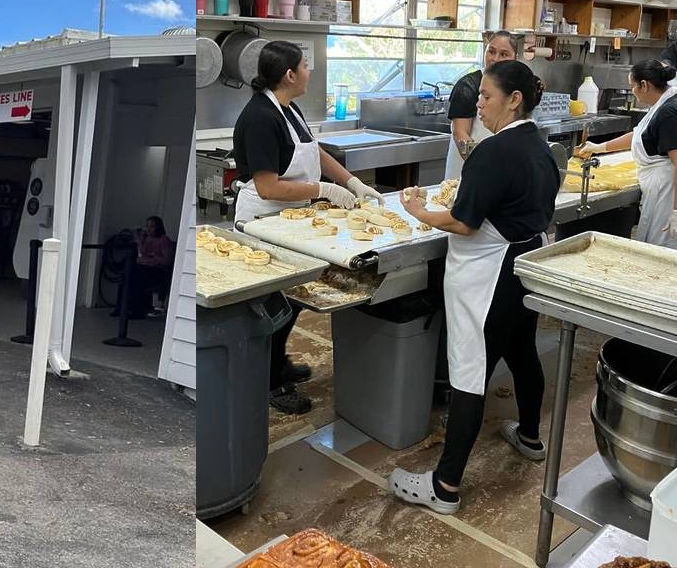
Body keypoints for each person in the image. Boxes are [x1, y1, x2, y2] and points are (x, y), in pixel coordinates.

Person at [389, 60, 560, 515]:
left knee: (469, 371)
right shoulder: (540, 145)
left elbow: (464, 222)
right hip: (525, 266)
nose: (478, 104)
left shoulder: (493, 151)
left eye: (486, 96)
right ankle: (530, 436)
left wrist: (419, 212)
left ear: (514, 99)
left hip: (489, 276)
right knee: (522, 350)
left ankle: (444, 486)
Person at [232, 39, 384, 415]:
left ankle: (277, 363)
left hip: (290, 220)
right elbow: (268, 187)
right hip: (263, 221)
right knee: (274, 305)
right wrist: (323, 190)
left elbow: (314, 151)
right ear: (289, 74)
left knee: (293, 300)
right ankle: (270, 382)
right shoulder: (260, 118)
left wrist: (351, 182)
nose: (309, 72)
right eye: (305, 66)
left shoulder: (288, 108)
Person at [578, 60, 677, 244]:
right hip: (662, 188)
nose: (633, 91)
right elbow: (639, 135)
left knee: (662, 249)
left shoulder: (669, 113)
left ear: (644, 85)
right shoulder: (663, 103)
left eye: (632, 86)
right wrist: (598, 148)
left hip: (669, 192)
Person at [444, 30, 519, 180]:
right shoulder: (467, 86)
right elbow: (460, 133)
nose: (495, 59)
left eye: (504, 54)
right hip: (466, 172)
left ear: (515, 58)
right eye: (491, 51)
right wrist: (480, 166)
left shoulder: (516, 89)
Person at [128, 216, 174, 319]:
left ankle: (138, 311)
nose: (149, 229)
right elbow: (140, 256)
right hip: (143, 267)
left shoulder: (164, 240)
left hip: (157, 271)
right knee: (127, 275)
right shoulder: (146, 239)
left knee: (138, 278)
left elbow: (167, 261)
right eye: (147, 226)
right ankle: (122, 308)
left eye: (152, 227)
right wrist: (139, 241)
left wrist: (153, 257)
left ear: (158, 227)